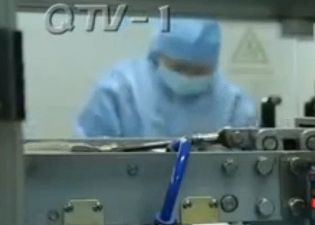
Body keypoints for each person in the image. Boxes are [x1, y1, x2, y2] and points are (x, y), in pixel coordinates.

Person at [76, 18, 258, 138]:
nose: (188, 77)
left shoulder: (235, 106)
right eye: (179, 68)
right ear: (159, 55)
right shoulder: (120, 91)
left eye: (199, 71)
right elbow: (89, 162)